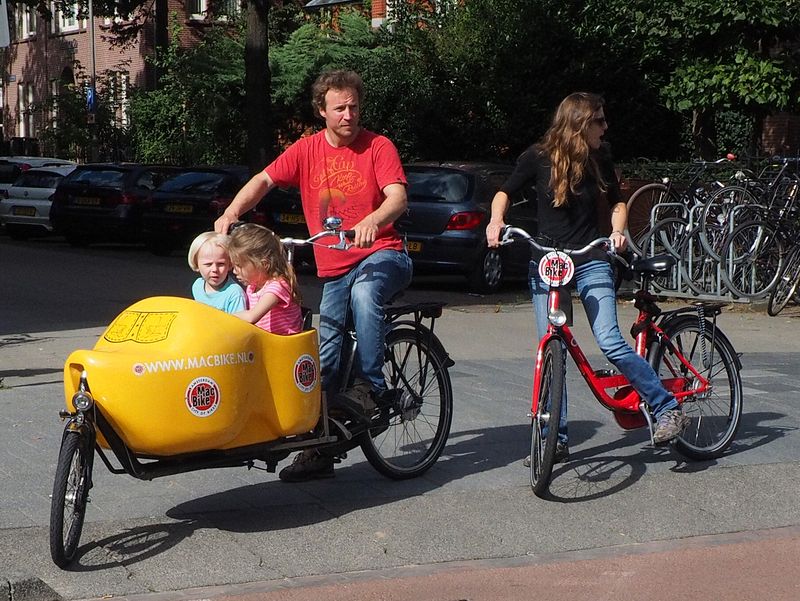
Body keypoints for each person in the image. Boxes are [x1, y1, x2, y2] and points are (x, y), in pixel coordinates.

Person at [214, 69, 413, 481]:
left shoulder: (378, 146)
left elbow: (397, 197)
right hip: (335, 265)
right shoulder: (306, 151)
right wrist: (233, 211)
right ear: (321, 110)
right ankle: (319, 450)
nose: (348, 115)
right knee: (323, 355)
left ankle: (371, 385)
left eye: (354, 106)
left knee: (364, 295)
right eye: (339, 108)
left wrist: (373, 220)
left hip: (384, 254)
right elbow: (265, 179)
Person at [486, 92, 689, 463]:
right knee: (553, 348)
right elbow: (504, 191)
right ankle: (554, 439)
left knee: (610, 339)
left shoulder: (601, 155)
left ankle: (665, 407)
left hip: (589, 258)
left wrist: (617, 231)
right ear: (580, 123)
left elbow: (616, 201)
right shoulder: (537, 157)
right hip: (547, 261)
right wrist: (496, 221)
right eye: (599, 120)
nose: (605, 127)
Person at [227, 223, 304, 335]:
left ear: (263, 264)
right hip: (265, 342)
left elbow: (251, 317)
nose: (234, 271)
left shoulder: (276, 287)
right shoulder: (253, 286)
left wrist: (222, 315)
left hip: (283, 346)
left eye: (239, 266)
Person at [187, 231, 246, 314]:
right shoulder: (198, 286)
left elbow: (239, 325)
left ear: (229, 263)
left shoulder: (235, 294)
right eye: (208, 264)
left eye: (221, 264)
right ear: (197, 264)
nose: (214, 269)